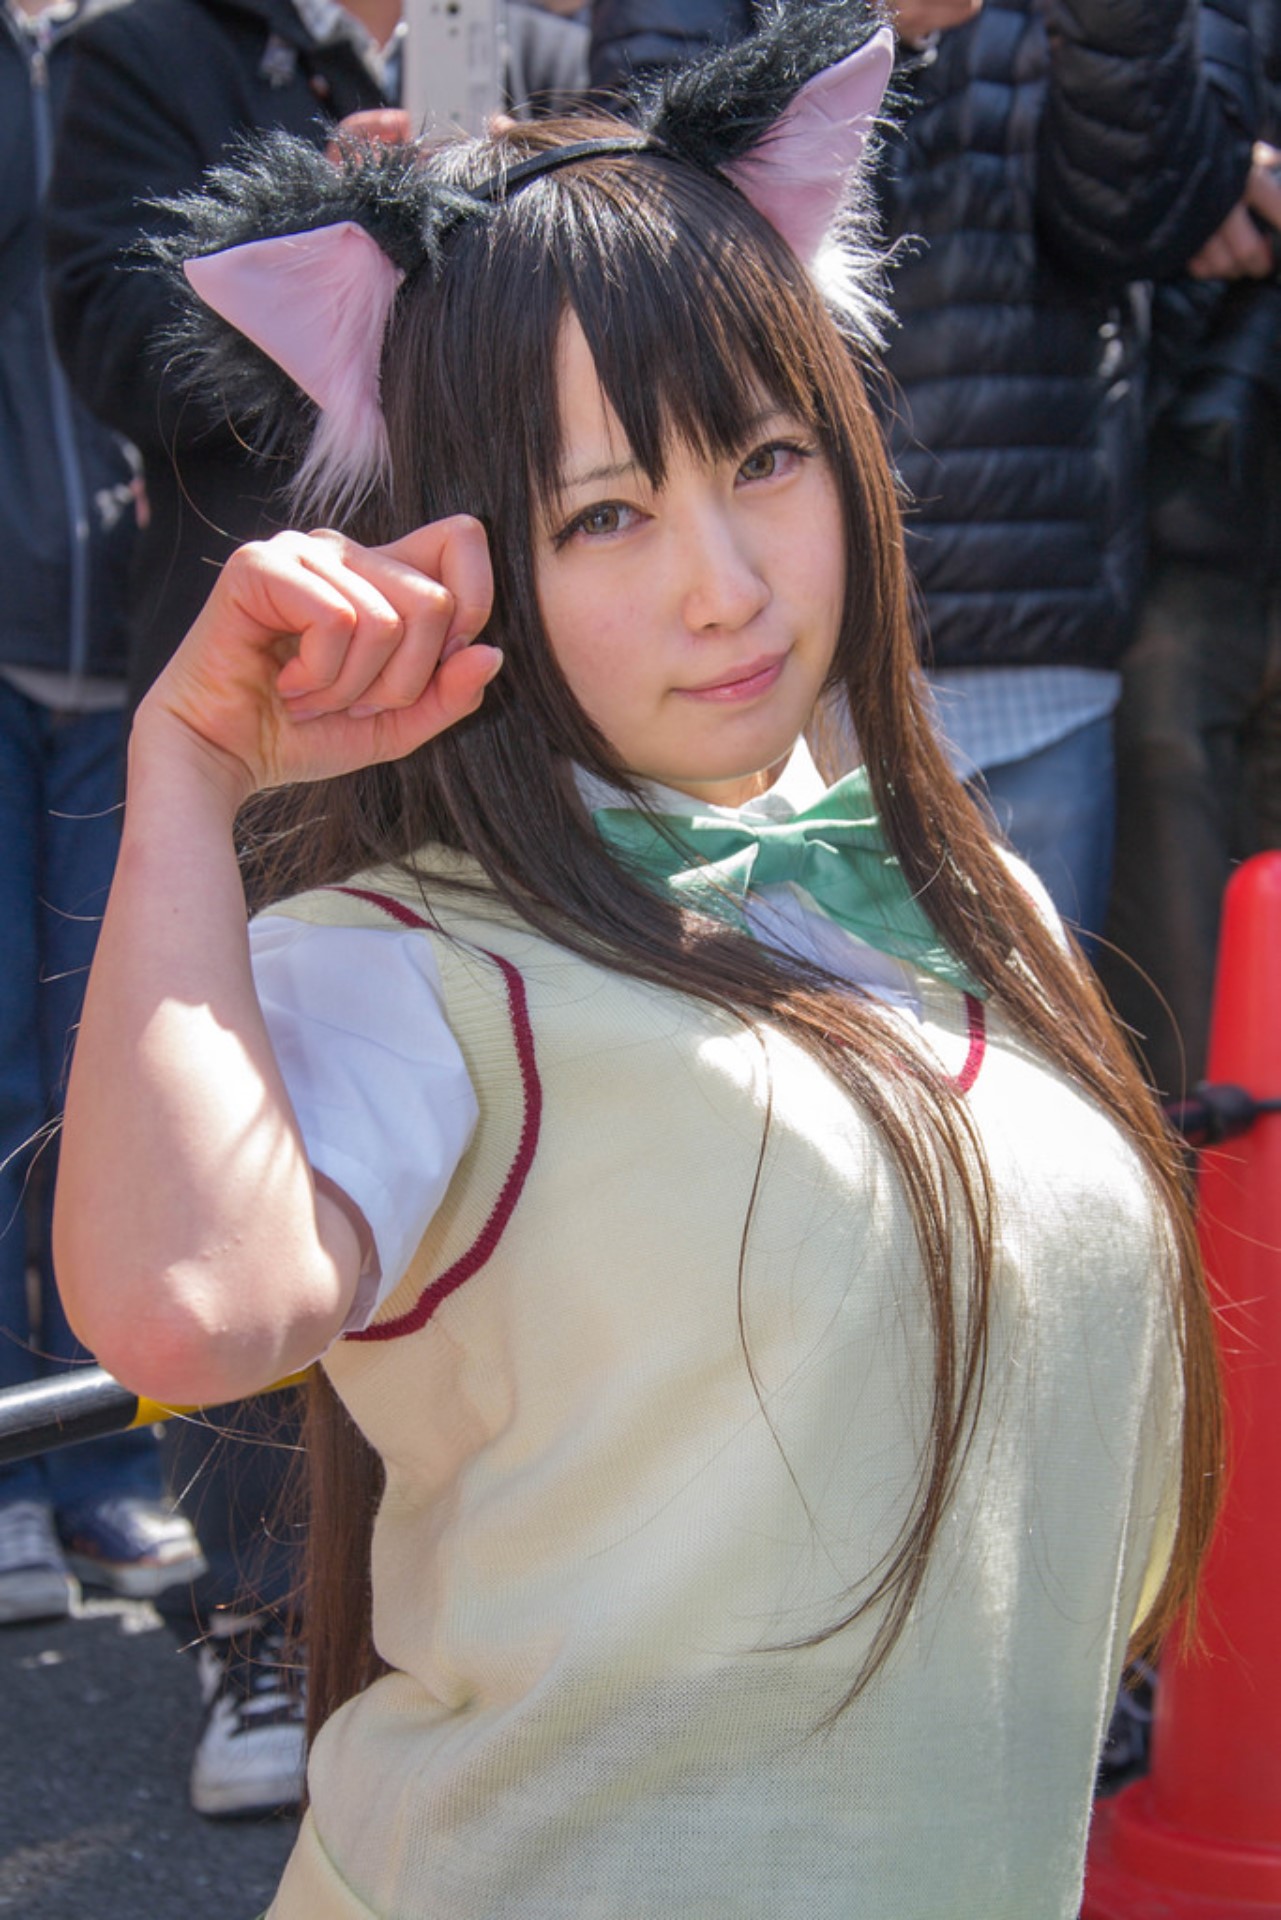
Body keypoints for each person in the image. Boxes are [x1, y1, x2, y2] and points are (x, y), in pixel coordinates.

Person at [53, 7, 1220, 1914]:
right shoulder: (413, 964)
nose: (723, 585)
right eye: (602, 513)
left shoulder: (956, 886)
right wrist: (184, 776)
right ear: (449, 552)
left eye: (765, 457)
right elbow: (183, 1313)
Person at [589, 0, 1259, 943]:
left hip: (1030, 605)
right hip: (761, 638)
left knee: (1033, 1017)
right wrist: (861, 33)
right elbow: (644, 205)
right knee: (775, 1012)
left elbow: (1139, 215)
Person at [0, 0, 204, 1625]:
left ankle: (103, 1464)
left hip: (124, 642)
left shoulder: (158, 47)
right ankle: (11, 1474)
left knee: (97, 1074)